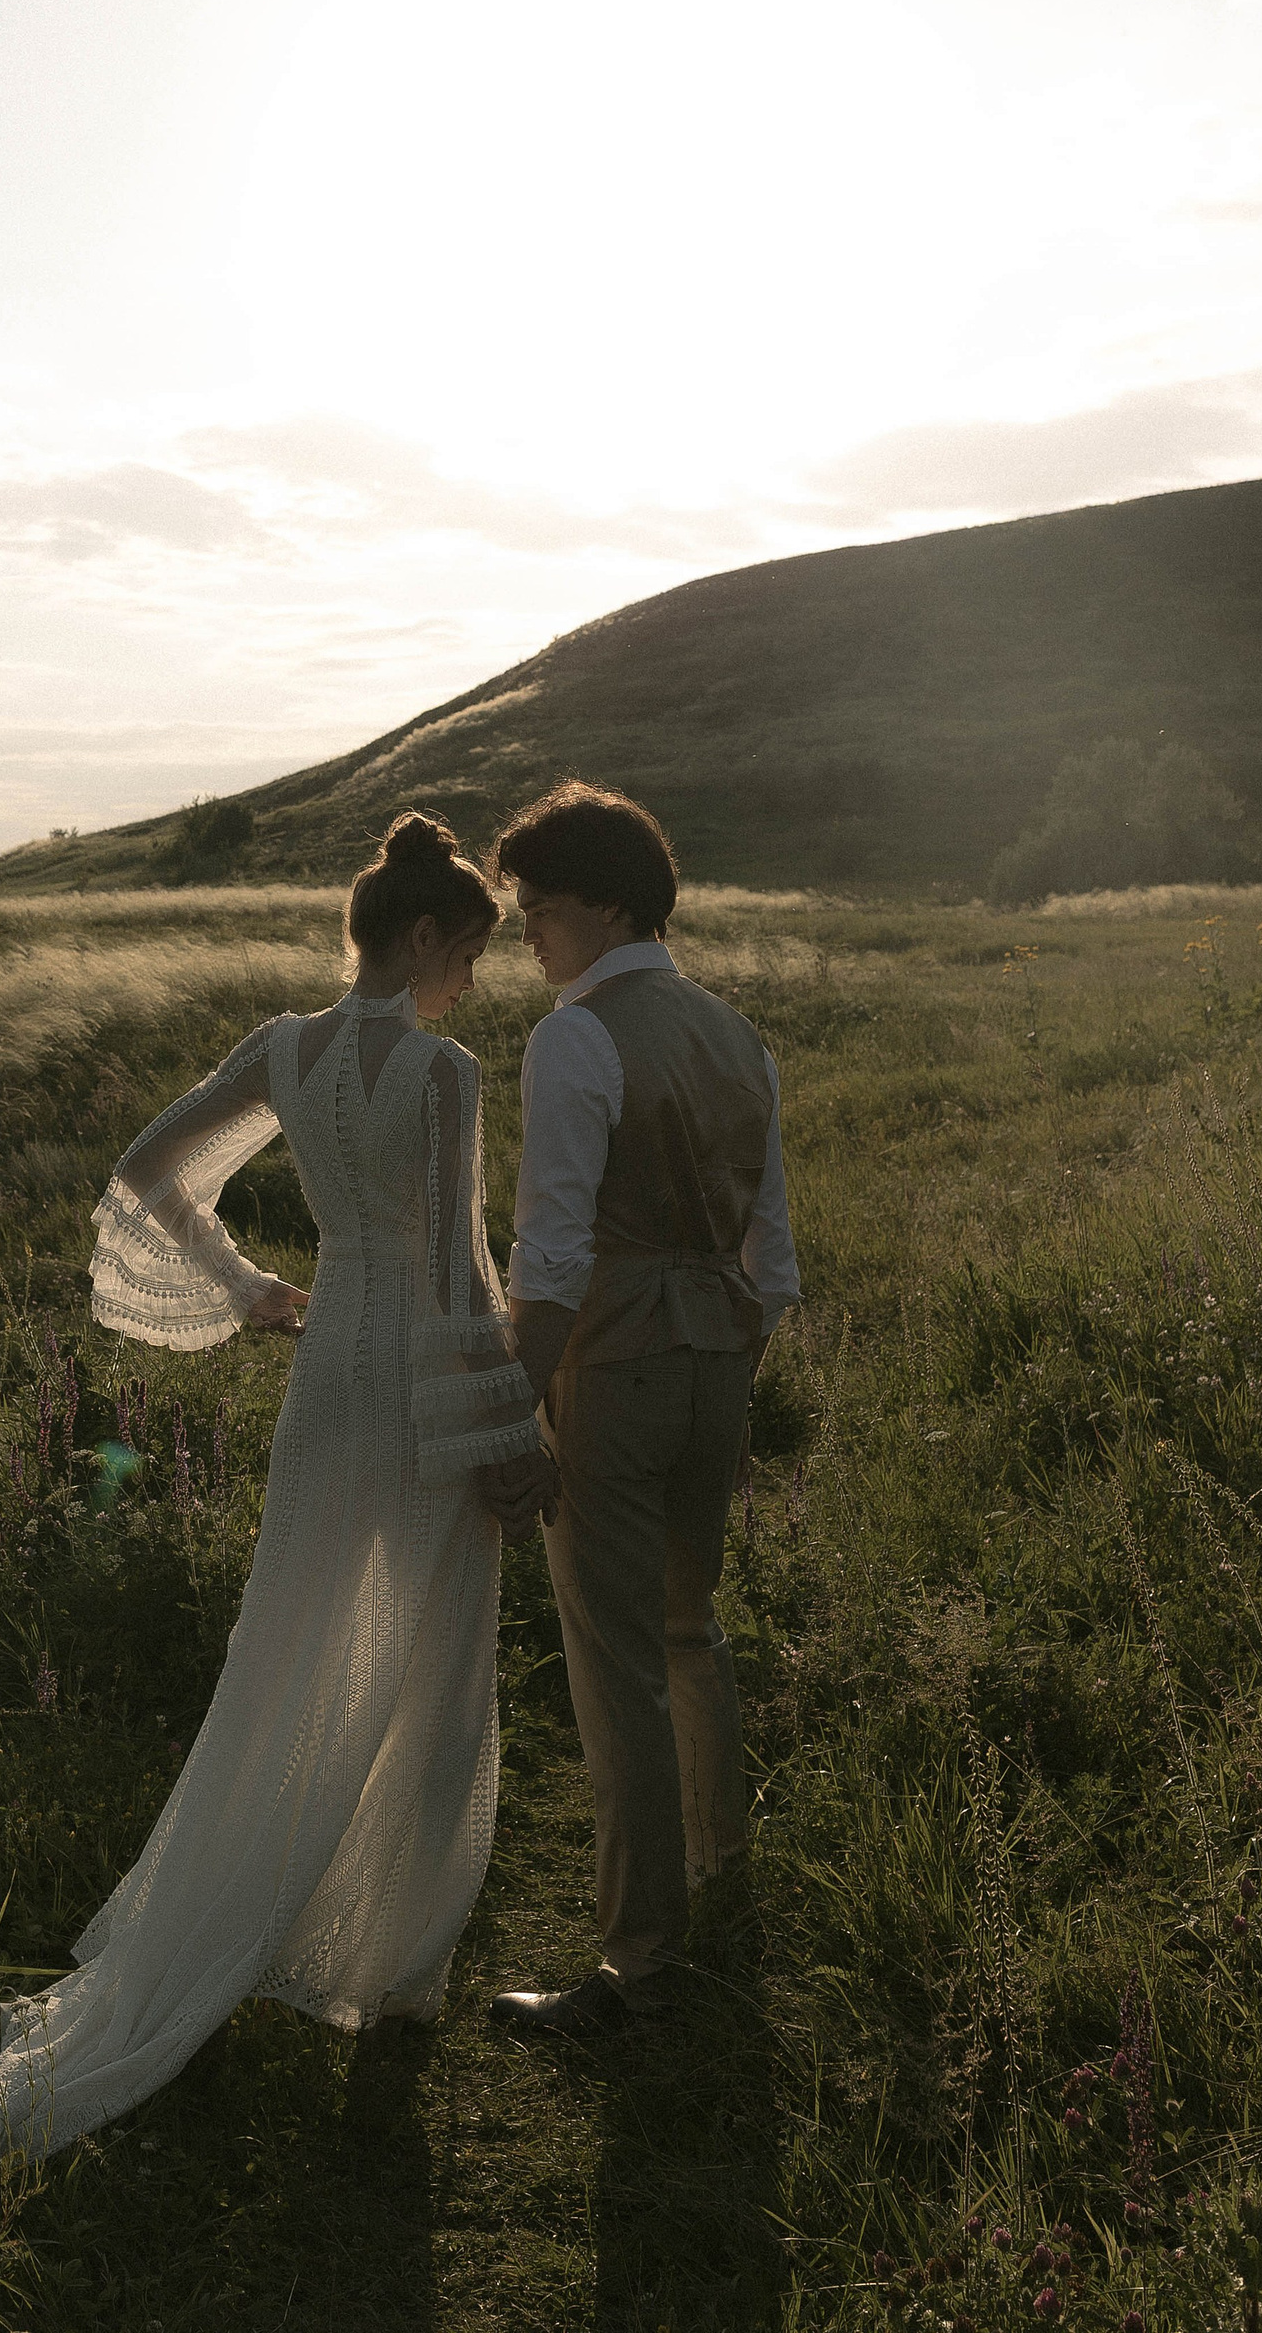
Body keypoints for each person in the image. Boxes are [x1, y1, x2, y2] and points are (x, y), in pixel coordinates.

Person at [0, 811, 545, 2167]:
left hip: (326, 1377)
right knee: (432, 1658)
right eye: (470, 955)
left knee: (292, 1643)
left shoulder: (282, 1048)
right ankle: (387, 1963)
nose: (472, 982)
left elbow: (146, 1173)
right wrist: (504, 1431)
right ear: (425, 936)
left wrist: (246, 1286)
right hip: (414, 1389)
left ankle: (271, 1916)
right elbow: (456, 1272)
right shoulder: (445, 1075)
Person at [479, 780, 800, 2037]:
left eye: (541, 907)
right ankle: (721, 1875)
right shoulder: (738, 1034)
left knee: (615, 1660)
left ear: (609, 907)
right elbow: (773, 1255)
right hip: (719, 1356)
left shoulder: (576, 1037)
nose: (526, 932)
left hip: (610, 1362)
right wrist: (728, 1351)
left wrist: (513, 1405)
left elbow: (551, 1251)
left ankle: (639, 1959)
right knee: (687, 1625)